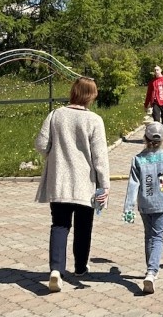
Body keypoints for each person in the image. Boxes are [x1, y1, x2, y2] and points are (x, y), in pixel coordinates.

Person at [34, 76, 110, 293]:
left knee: (60, 225)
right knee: (84, 226)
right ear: (91, 95)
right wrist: (105, 185)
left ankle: (56, 270)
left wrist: (53, 154)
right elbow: (100, 157)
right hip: (85, 183)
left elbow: (41, 144)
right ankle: (80, 267)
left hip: (59, 181)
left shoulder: (56, 115)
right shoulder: (94, 120)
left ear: (74, 92)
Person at [123, 122, 163, 294]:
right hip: (162, 203)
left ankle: (150, 269)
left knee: (149, 236)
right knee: (158, 237)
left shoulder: (138, 159)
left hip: (144, 204)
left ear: (145, 138)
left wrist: (128, 208)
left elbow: (133, 185)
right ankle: (152, 271)